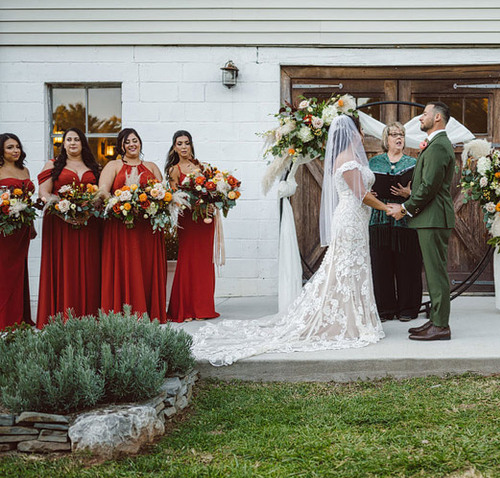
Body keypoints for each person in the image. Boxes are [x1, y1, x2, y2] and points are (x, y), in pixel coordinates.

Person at [193, 115, 388, 365]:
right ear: (353, 133)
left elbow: (360, 189)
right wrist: (386, 207)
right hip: (350, 220)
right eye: (360, 130)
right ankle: (347, 320)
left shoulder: (352, 159)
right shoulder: (348, 160)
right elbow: (360, 194)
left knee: (350, 269)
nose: (363, 135)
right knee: (344, 268)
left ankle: (354, 316)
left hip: (356, 220)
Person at [386, 101, 455, 341]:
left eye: (424, 114)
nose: (419, 118)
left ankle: (441, 325)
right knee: (434, 272)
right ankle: (435, 320)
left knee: (436, 273)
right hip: (430, 218)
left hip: (434, 218)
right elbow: (424, 186)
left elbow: (428, 188)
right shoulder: (435, 144)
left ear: (437, 118)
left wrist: (404, 209)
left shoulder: (438, 147)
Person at [98, 128, 167, 323]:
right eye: (127, 141)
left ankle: (149, 311)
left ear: (140, 143)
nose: (132, 144)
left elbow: (162, 192)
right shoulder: (113, 165)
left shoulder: (151, 166)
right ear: (121, 145)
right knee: (125, 266)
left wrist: (155, 203)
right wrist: (118, 204)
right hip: (122, 225)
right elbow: (103, 191)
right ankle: (123, 312)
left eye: (135, 140)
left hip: (147, 228)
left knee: (145, 267)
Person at [36, 127, 102, 328]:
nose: (72, 143)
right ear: (63, 144)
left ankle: (89, 313)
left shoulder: (94, 166)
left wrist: (89, 210)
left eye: (76, 139)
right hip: (59, 223)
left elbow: (101, 193)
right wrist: (63, 211)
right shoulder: (53, 165)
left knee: (90, 266)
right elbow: (44, 193)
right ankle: (61, 314)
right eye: (68, 140)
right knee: (64, 265)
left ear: (83, 143)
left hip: (89, 223)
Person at [369, 122, 422, 322]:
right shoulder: (373, 163)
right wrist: (372, 193)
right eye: (394, 135)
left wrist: (409, 193)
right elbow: (364, 187)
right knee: (381, 265)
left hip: (405, 220)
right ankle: (384, 309)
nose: (398, 138)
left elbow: (422, 191)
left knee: (407, 264)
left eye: (401, 134)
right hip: (380, 219)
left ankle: (408, 308)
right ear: (386, 139)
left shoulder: (413, 162)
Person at [165, 130, 220, 322]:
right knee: (187, 260)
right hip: (188, 219)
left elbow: (213, 189)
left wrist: (211, 202)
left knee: (204, 262)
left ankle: (203, 308)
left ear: (191, 145)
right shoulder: (174, 170)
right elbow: (173, 197)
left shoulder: (202, 167)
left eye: (186, 143)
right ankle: (185, 309)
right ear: (174, 147)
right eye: (179, 143)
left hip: (205, 219)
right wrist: (189, 202)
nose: (183, 147)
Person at [0, 133, 35, 329]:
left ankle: (19, 317)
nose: (15, 150)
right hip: (4, 231)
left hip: (21, 230)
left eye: (17, 147)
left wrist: (32, 226)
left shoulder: (25, 170)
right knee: (4, 273)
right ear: (1, 151)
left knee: (20, 271)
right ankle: (4, 319)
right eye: (10, 147)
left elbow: (28, 202)